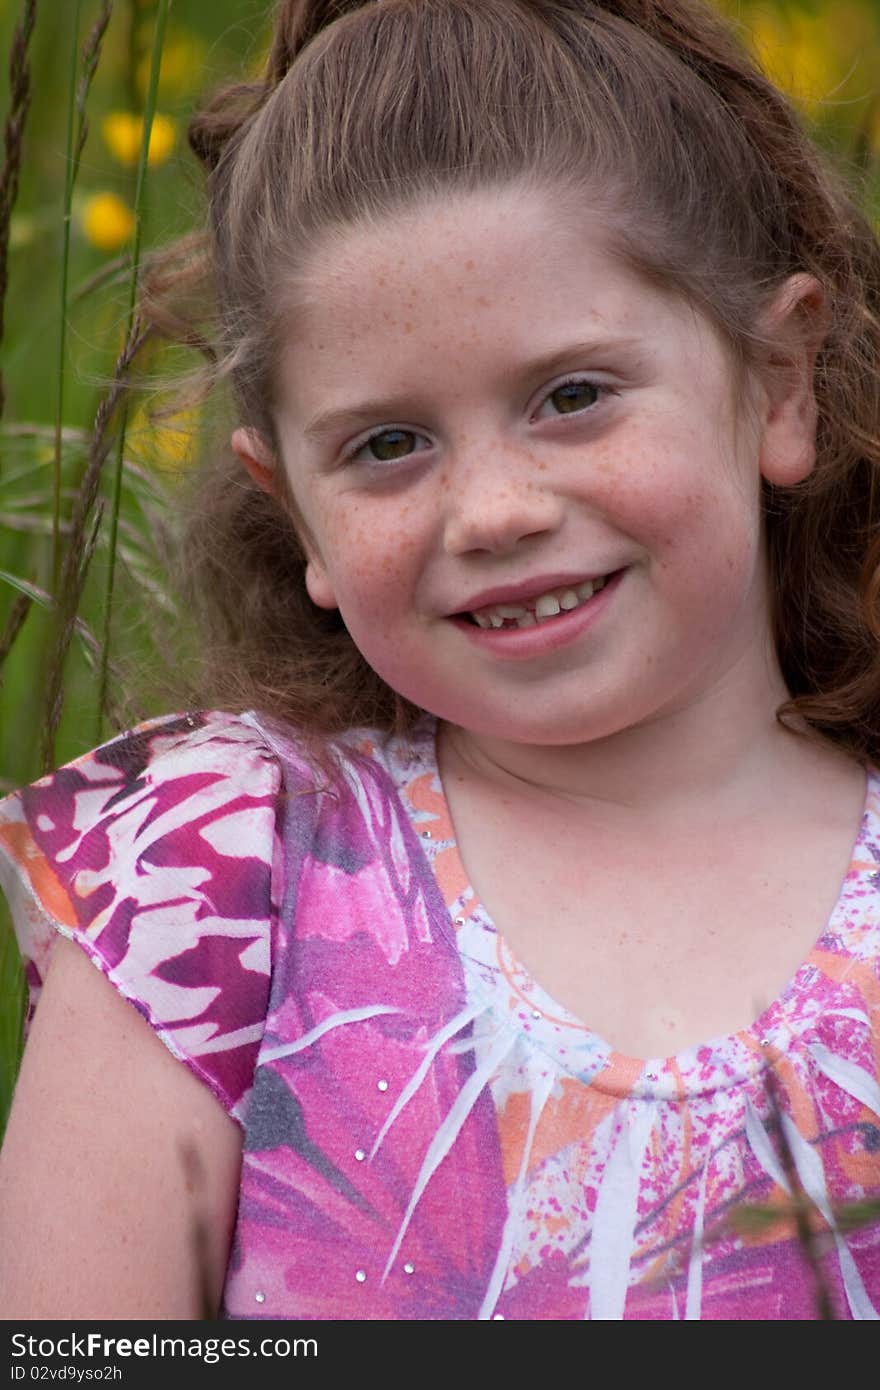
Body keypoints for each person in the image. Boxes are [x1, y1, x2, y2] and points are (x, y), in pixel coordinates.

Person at [0, 0, 879, 1321]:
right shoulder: (216, 879)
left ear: (778, 380)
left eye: (574, 396)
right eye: (387, 446)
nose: (495, 509)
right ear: (290, 505)